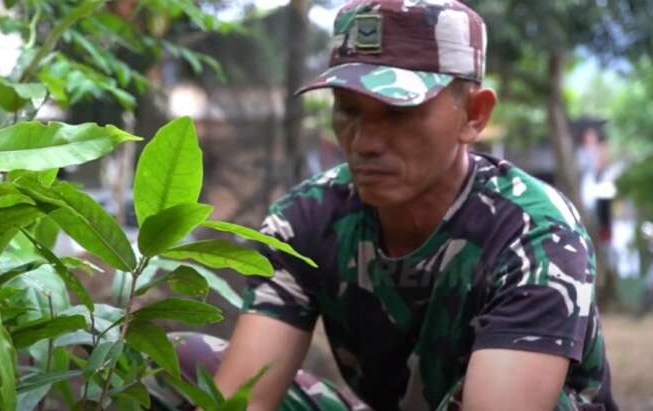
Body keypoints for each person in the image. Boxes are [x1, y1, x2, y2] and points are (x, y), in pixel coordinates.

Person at [171, 1, 617, 410]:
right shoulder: (306, 219)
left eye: (398, 113)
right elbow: (242, 400)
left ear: (474, 115)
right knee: (186, 360)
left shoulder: (534, 235)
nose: (364, 143)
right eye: (348, 110)